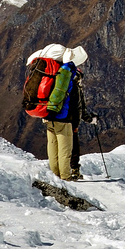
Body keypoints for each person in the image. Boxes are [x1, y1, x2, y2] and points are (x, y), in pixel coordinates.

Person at [28, 44, 98, 181]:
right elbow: (78, 107)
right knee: (65, 150)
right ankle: (66, 177)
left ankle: (55, 176)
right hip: (65, 120)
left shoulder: (55, 75)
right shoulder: (69, 82)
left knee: (53, 148)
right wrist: (88, 119)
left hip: (49, 116)